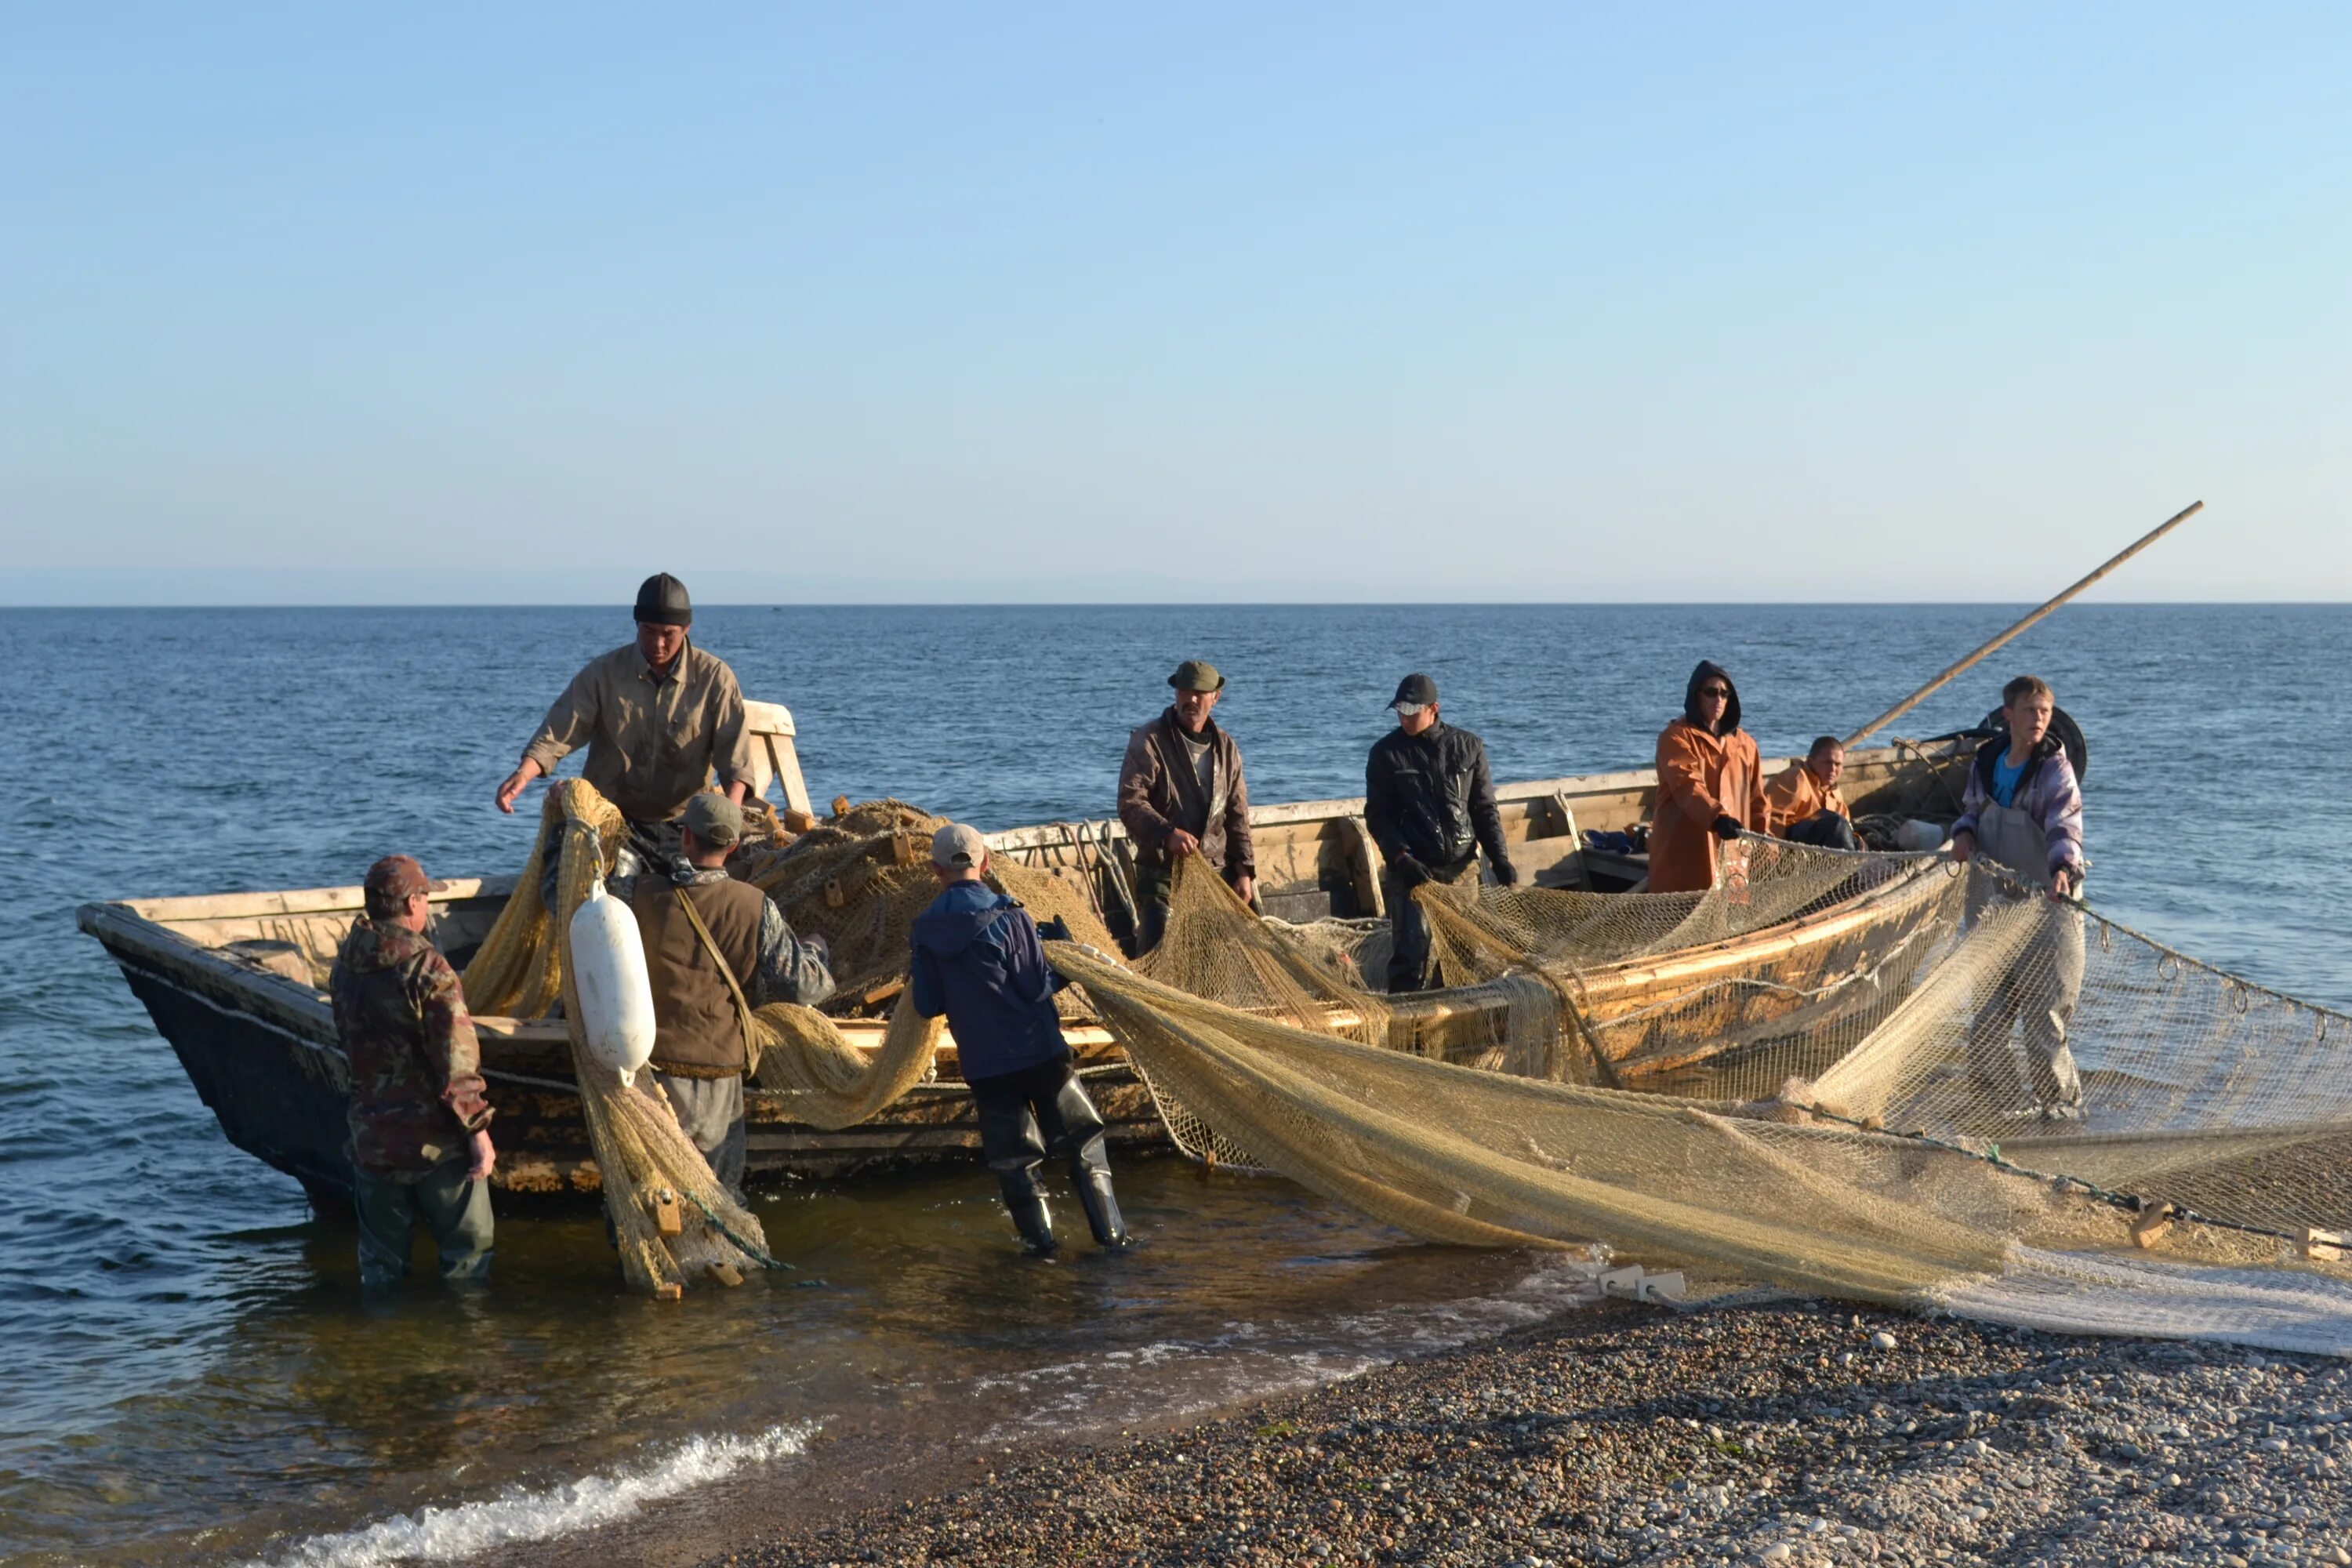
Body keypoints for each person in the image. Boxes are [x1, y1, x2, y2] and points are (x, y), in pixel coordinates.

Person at [909, 822, 1128, 1256]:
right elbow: (1033, 987)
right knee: (1084, 1145)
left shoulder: (923, 932)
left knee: (1015, 1164)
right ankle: (1114, 1244)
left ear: (935, 870)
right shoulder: (1011, 916)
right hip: (1041, 1056)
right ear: (985, 863)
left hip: (985, 1068)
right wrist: (1063, 959)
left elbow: (927, 1005)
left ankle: (1041, 1251)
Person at [626, 793, 835, 1193]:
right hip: (719, 1070)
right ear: (735, 846)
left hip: (650, 1068)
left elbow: (568, 904)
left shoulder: (637, 893)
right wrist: (816, 951)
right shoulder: (754, 904)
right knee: (719, 1196)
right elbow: (805, 988)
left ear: (684, 837)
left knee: (652, 1192)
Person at [495, 573, 757, 888]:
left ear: (686, 629)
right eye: (649, 631)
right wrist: (523, 773)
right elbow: (560, 729)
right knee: (565, 878)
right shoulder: (604, 674)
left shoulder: (715, 679)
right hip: (612, 820)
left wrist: (722, 828)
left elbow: (736, 764)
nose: (658, 644)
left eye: (668, 634)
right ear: (636, 625)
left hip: (682, 827)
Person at [329, 855, 497, 1288]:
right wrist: (478, 1132)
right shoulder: (428, 969)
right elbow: (456, 1061)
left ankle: (387, 1347)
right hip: (435, 1144)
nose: (427, 906)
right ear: (409, 904)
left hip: (372, 1137)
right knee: (467, 1258)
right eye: (424, 897)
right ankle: (468, 1347)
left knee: (381, 1268)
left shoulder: (346, 963)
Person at [1950, 675, 2087, 1120]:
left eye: (2045, 711)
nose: (2038, 719)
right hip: (1993, 900)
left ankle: (2060, 1111)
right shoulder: (1986, 762)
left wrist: (2063, 870)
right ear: (2008, 715)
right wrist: (1964, 835)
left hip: (2049, 900)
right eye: (2029, 710)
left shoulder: (2055, 770)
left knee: (2044, 1017)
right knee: (1989, 1013)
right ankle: (2001, 1106)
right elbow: (1971, 808)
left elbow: (2066, 825)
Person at [1364, 673, 1518, 994]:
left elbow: (1484, 809)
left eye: (1411, 710)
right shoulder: (1385, 753)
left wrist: (1500, 858)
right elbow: (1378, 816)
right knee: (1410, 955)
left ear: (1434, 708)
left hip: (1462, 871)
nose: (1404, 717)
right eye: (1399, 711)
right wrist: (1401, 857)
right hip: (1412, 872)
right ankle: (1409, 1035)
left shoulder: (1468, 746)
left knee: (1462, 956)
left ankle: (1448, 1026)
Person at [1116, 659, 1255, 952]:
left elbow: (1237, 814)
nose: (1191, 699)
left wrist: (1244, 871)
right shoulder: (1149, 741)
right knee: (1158, 944)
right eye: (1184, 691)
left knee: (1226, 952)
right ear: (1176, 693)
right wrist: (1167, 833)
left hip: (1213, 872)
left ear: (1215, 697)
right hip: (1161, 872)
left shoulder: (1227, 749)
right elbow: (1130, 802)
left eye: (1200, 693)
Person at [1650, 660, 1772, 895]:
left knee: (1731, 916)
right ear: (1696, 696)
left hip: (1734, 860)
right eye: (1711, 692)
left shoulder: (1746, 745)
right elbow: (1687, 784)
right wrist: (1717, 818)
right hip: (1684, 861)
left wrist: (1765, 839)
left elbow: (1758, 800)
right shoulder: (1675, 737)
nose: (1719, 700)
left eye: (1725, 694)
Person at [1768, 736, 1861, 851]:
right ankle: (1848, 863)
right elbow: (1770, 817)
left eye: (1838, 764)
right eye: (1827, 762)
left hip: (1819, 848)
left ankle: (1849, 863)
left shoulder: (1834, 790)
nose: (1833, 769)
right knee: (1836, 824)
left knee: (1854, 838)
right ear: (1811, 760)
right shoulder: (1795, 779)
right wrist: (1773, 850)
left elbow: (1845, 826)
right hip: (1790, 845)